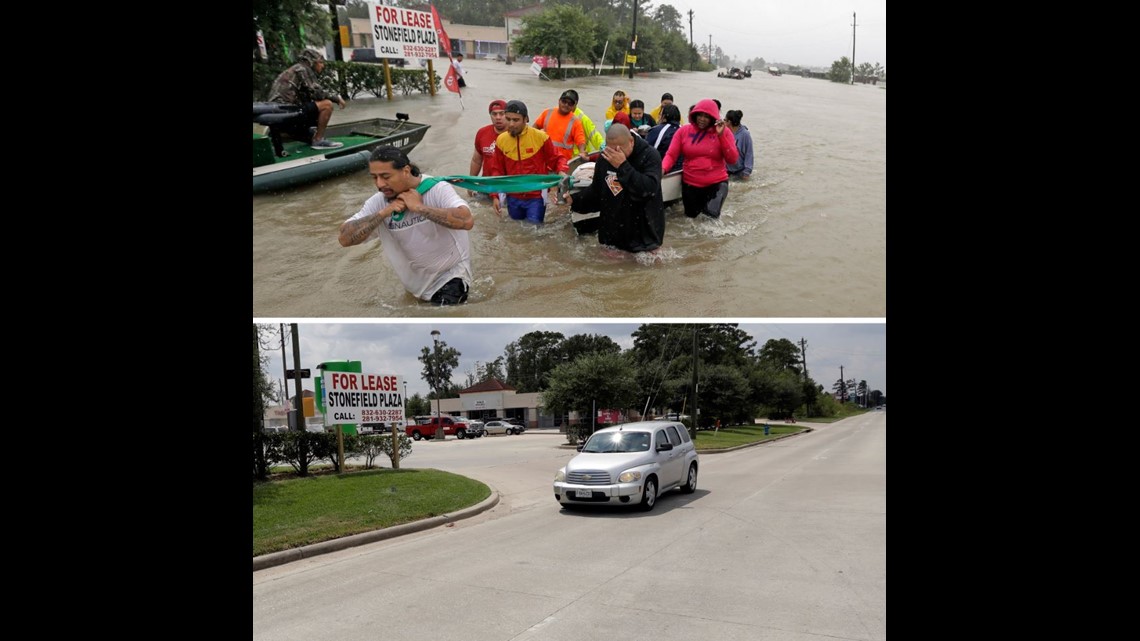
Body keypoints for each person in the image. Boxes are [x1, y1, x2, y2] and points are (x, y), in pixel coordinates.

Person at [337, 146, 474, 305]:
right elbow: (344, 239)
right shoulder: (379, 202)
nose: (380, 184)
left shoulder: (436, 188)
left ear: (406, 171)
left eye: (386, 176)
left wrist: (419, 208)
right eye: (374, 178)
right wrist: (384, 213)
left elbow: (466, 220)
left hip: (451, 278)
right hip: (416, 287)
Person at [566, 123, 665, 253]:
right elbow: (596, 193)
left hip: (645, 236)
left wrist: (622, 166)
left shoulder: (650, 156)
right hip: (613, 235)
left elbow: (648, 190)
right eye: (610, 149)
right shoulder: (604, 158)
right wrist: (573, 200)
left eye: (619, 149)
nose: (614, 154)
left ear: (631, 141)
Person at [484, 100, 570, 224]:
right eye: (508, 119)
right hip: (512, 195)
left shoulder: (541, 137)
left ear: (526, 119)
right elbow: (497, 170)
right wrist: (495, 196)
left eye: (516, 120)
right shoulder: (501, 140)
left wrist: (562, 171)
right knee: (517, 231)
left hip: (536, 196)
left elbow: (557, 159)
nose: (511, 124)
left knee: (534, 231)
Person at [661, 98, 738, 219]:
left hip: (716, 184)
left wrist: (721, 136)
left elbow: (732, 159)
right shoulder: (683, 131)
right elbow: (671, 155)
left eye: (706, 116)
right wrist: (662, 169)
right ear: (694, 115)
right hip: (690, 184)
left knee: (710, 216)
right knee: (691, 221)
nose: (702, 119)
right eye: (700, 115)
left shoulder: (725, 132)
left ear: (713, 118)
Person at [267, 49, 347, 150]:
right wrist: (336, 98)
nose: (323, 66)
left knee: (310, 133)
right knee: (327, 105)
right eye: (321, 62)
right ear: (313, 62)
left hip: (278, 113)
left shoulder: (295, 69)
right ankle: (318, 140)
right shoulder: (303, 69)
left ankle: (281, 134)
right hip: (286, 111)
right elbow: (317, 93)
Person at [533, 90, 590, 164]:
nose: (566, 105)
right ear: (559, 101)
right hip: (543, 160)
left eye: (570, 103)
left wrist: (582, 152)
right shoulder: (547, 113)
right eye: (564, 101)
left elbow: (580, 141)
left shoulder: (575, 122)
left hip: (561, 164)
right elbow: (533, 129)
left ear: (574, 106)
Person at [469, 99, 508, 199]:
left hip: (509, 188)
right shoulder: (482, 133)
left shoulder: (516, 133)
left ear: (507, 114)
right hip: (486, 185)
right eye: (494, 114)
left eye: (501, 113)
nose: (498, 117)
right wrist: (471, 183)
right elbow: (476, 160)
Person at [645, 104, 683, 172]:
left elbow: (646, 151)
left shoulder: (657, 130)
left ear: (664, 117)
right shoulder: (684, 130)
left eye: (660, 114)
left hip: (662, 171)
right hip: (682, 170)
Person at [724, 109, 754, 181]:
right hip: (726, 171)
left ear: (729, 122)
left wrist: (747, 172)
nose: (723, 122)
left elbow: (749, 154)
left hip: (740, 171)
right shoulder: (723, 132)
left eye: (725, 120)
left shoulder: (745, 135)